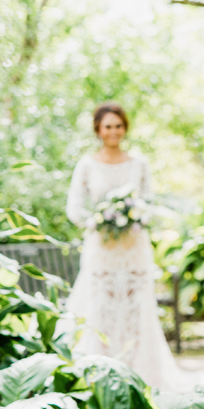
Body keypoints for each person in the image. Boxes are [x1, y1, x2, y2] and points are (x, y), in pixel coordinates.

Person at [65, 102, 189, 391]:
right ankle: (100, 379)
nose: (113, 131)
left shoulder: (139, 163)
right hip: (101, 253)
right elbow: (74, 208)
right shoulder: (87, 164)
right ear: (98, 129)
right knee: (100, 310)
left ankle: (142, 376)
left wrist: (134, 215)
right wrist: (98, 220)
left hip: (134, 250)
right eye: (108, 126)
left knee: (137, 311)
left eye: (118, 126)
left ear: (125, 128)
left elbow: (149, 203)